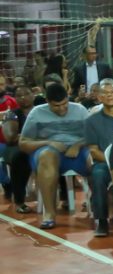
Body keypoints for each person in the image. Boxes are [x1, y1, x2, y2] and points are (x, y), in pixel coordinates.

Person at [18, 82, 90, 229]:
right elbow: (23, 143)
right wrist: (49, 142)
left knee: (95, 158)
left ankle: (102, 209)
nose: (62, 108)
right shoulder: (37, 113)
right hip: (48, 152)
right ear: (48, 102)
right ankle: (49, 213)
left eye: (65, 104)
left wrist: (78, 145)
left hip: (77, 151)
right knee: (47, 157)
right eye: (56, 106)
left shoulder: (80, 110)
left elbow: (94, 136)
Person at [84, 79, 113, 236]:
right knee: (98, 175)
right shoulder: (91, 121)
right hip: (104, 163)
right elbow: (94, 151)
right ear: (99, 97)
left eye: (112, 92)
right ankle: (101, 221)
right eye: (105, 93)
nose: (109, 95)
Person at [1, 84, 35, 213]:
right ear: (15, 98)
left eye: (26, 94)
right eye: (19, 96)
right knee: (20, 157)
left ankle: (65, 198)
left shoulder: (41, 110)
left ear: (33, 95)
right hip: (16, 148)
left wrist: (23, 136)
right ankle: (19, 201)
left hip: (39, 145)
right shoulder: (12, 114)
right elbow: (10, 138)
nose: (23, 98)